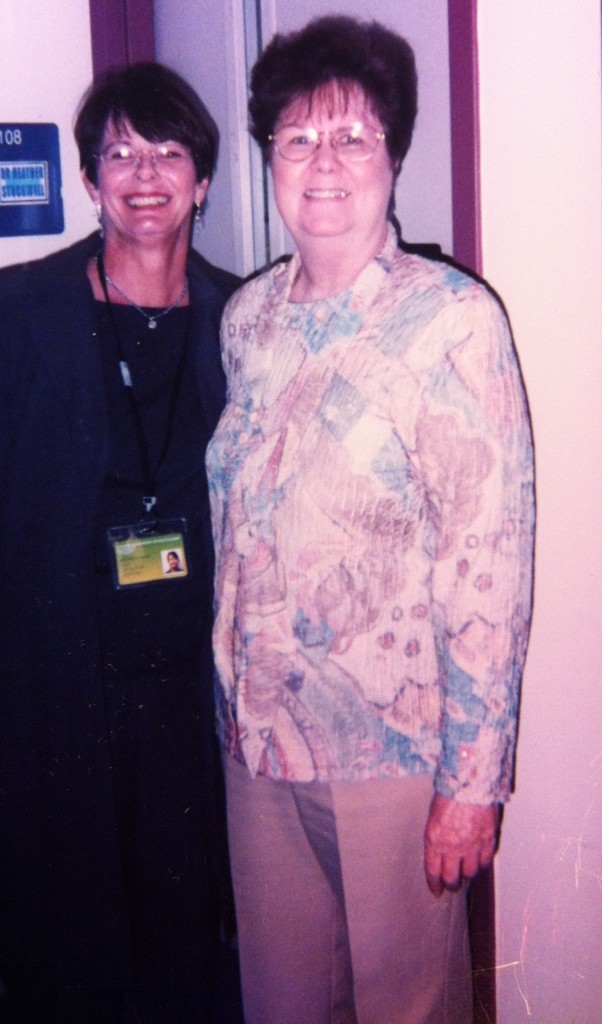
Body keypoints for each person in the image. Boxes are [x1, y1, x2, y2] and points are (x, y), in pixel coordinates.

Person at [206, 16, 535, 1024]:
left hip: (394, 760)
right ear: (268, 158)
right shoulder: (247, 321)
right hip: (258, 745)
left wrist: (470, 782)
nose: (324, 162)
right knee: (283, 1001)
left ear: (391, 154)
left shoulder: (450, 320)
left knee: (405, 1008)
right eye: (297, 138)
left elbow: (487, 560)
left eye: (352, 136)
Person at [0, 61, 239, 1024]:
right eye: (120, 154)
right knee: (68, 957)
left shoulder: (244, 318)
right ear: (91, 180)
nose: (146, 174)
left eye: (169, 151)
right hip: (55, 691)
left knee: (186, 951)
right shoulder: (16, 310)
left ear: (205, 179)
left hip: (189, 697)